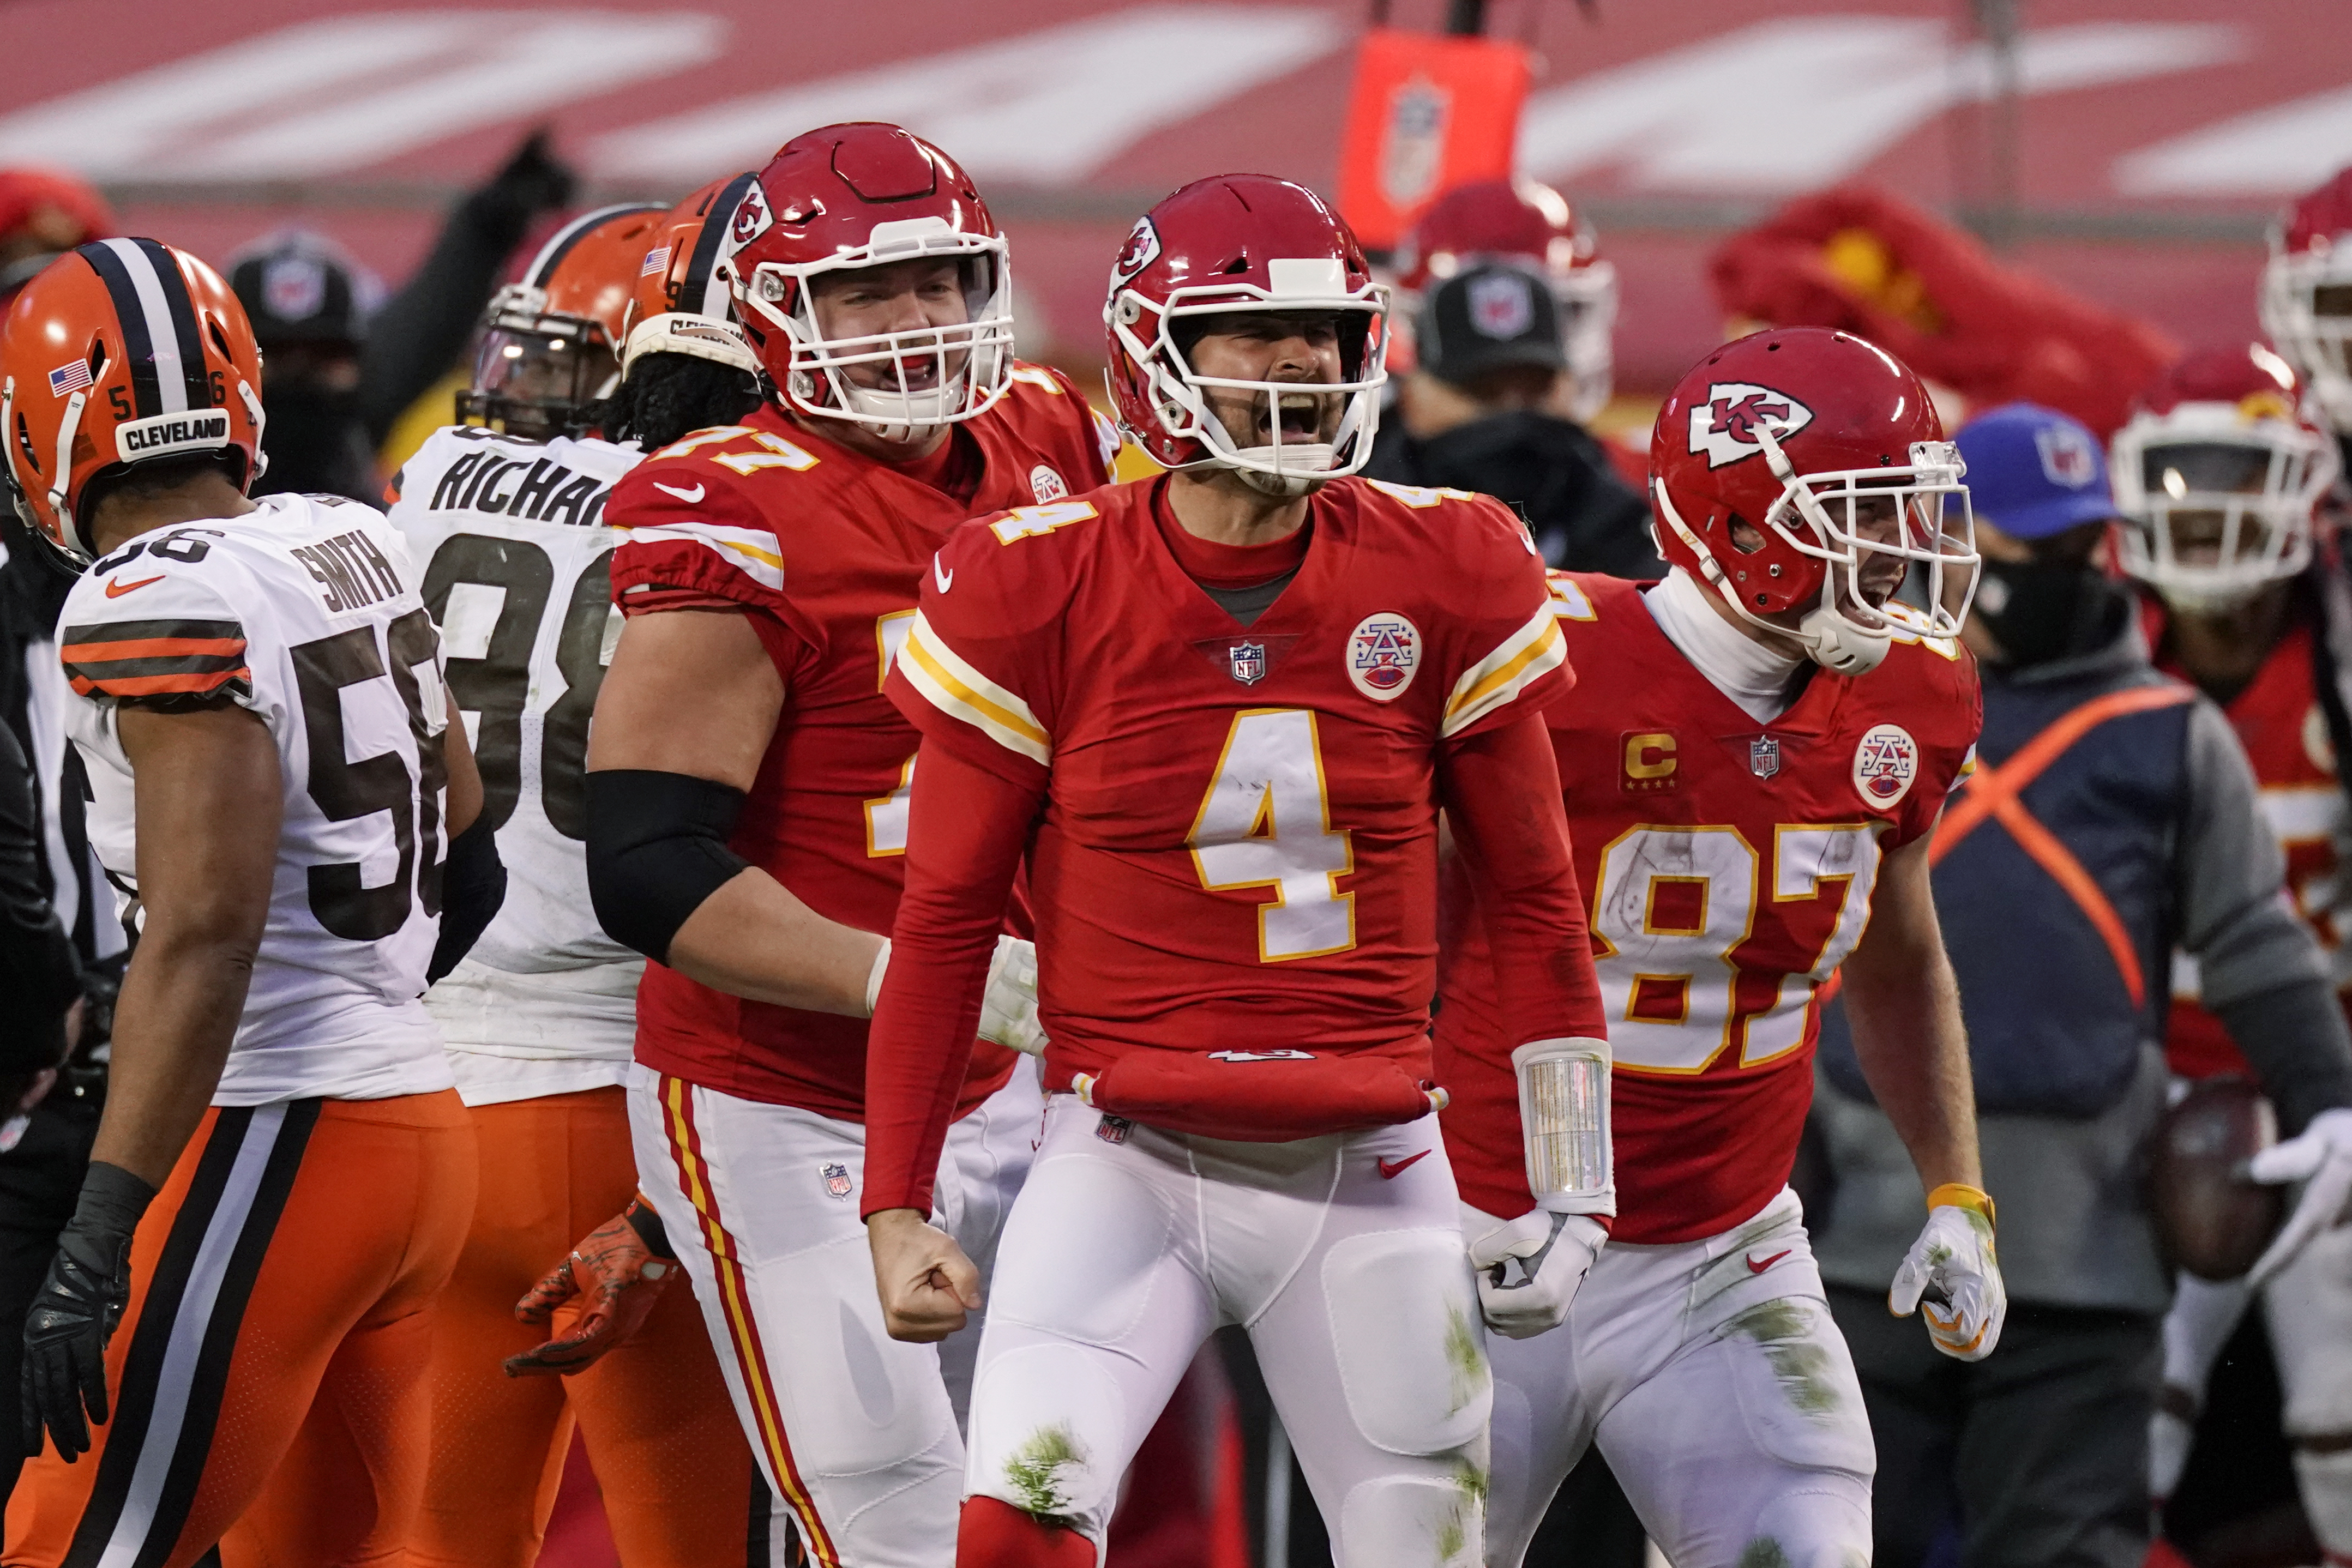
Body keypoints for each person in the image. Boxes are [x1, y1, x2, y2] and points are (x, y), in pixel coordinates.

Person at [861, 171, 1611, 1568]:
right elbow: (948, 913)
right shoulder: (1036, 581)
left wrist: (1576, 1178)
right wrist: (896, 1203)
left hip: (1375, 1162)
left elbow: (1536, 899)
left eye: (1327, 332)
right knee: (1013, 1526)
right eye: (1253, 330)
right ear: (1153, 355)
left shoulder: (1450, 559)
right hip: (1122, 1155)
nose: (1304, 363)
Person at [578, 122, 1112, 1566]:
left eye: (939, 283)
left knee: (1042, 1511)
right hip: (786, 1098)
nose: (917, 323)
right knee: (900, 1526)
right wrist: (927, 979)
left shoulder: (1048, 441)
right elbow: (646, 862)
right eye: (866, 293)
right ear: (768, 309)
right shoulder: (730, 504)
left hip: (1017, 1089)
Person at [1438, 326, 1993, 1568]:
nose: (1900, 552)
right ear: (1741, 524)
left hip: (1719, 1249)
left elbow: (1899, 958)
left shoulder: (1913, 692)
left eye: (1907, 510)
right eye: (1860, 514)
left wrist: (1957, 1188)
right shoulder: (1550, 660)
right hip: (1481, 1230)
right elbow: (1390, 905)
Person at [0, 237, 500, 1566]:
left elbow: (205, 936)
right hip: (414, 1129)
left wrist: (96, 1235)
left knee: (64, 1547)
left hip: (274, 1135)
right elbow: (469, 831)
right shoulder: (347, 531)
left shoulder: (146, 596)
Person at [1808, 401, 2352, 1568]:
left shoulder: (2170, 731)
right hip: (1848, 1227)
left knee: (2061, 1548)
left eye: (2069, 549)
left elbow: (2253, 943)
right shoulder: (1848, 706)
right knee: (1834, 1545)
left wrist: (2326, 1100)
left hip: (2087, 1249)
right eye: (2022, 548)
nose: (2050, 573)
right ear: (1944, 537)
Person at [382, 185, 778, 1568]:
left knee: (443, 1541)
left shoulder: (427, 476)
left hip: (434, 1104)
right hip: (644, 1113)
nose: (534, 387)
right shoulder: (750, 516)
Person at [2106, 348, 2352, 1554]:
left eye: (2235, 479)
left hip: (2330, 1097)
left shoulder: (2332, 663)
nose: (2205, 516)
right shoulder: (2100, 658)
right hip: (2143, 1095)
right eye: (2181, 482)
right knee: (2121, 1416)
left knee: (2337, 1419)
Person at [227, 132, 580, 503]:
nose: (300, 376)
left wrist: (485, 227)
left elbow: (427, 318)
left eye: (323, 354)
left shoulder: (366, 404)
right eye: (273, 355)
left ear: (358, 361)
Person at [1363, 258, 1661, 578]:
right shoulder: (1350, 524)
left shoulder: (1631, 525)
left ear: (1569, 387)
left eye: (1535, 390)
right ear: (1414, 396)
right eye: (1483, 392)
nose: (1512, 414)